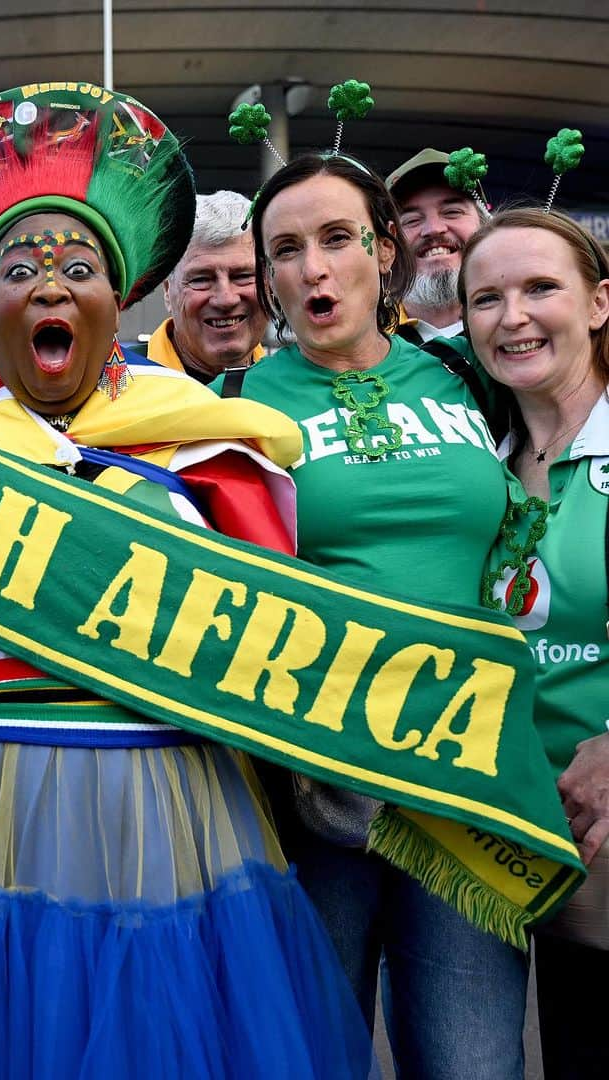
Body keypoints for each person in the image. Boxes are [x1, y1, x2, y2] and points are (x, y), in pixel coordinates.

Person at [0, 84, 374, 1078]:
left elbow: (268, 648)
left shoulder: (209, 445)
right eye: (20, 269)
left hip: (164, 814)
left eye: (77, 267)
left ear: (116, 299)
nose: (49, 286)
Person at [214, 151, 528, 1079]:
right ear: (269, 276)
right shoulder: (229, 406)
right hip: (312, 791)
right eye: (287, 249)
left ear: (384, 253)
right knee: (310, 1059)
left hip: (471, 788)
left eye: (338, 239)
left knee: (473, 1066)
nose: (314, 268)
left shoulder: (469, 376)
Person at [460, 206, 609, 1080]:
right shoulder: (482, 471)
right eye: (488, 298)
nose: (512, 316)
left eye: (539, 288)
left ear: (597, 303)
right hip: (541, 867)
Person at [145, 189, 267, 381]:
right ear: (168, 291)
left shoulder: (298, 389)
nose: (226, 299)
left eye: (243, 276)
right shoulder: (114, 387)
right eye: (201, 279)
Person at [386, 148, 486, 342]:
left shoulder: (517, 325)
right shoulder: (362, 338)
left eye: (452, 212)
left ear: (485, 226)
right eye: (411, 220)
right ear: (386, 246)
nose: (433, 229)